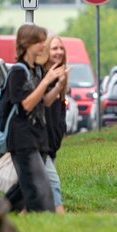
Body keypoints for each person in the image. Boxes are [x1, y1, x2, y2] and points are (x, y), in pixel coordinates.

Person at [4, 24, 66, 213]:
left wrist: (57, 86)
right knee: (37, 187)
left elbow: (44, 102)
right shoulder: (17, 72)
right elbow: (25, 106)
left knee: (24, 189)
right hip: (22, 138)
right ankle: (44, 217)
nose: (43, 46)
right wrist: (46, 81)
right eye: (39, 42)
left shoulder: (37, 70)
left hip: (39, 138)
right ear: (27, 44)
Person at [42, 35, 70, 213]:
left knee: (28, 190)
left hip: (51, 144)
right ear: (46, 51)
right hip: (39, 143)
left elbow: (58, 111)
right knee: (54, 185)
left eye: (61, 48)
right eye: (54, 48)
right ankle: (61, 220)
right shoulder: (41, 77)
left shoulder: (61, 75)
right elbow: (44, 103)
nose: (59, 52)